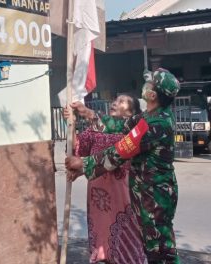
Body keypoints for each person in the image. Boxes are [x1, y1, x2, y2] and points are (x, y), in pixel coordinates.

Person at [66, 68, 181, 264]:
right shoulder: (150, 115)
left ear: (152, 95)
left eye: (150, 84)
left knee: (160, 251)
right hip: (146, 193)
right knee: (153, 247)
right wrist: (87, 113)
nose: (145, 85)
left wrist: (84, 163)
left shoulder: (156, 124)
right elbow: (121, 124)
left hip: (155, 197)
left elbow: (119, 152)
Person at [65, 95, 146, 264]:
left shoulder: (134, 130)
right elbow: (78, 148)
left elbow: (115, 157)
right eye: (115, 100)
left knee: (127, 248)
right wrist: (71, 124)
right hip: (99, 199)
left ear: (132, 112)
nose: (115, 103)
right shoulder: (96, 129)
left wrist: (86, 112)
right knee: (103, 247)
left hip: (124, 196)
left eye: (122, 101)